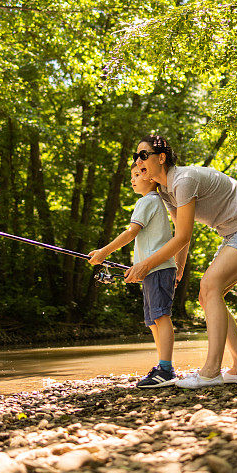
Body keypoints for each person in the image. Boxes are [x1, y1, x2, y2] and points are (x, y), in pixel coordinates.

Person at [124, 133, 237, 389]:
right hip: (232, 234)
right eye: (136, 156)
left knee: (210, 285)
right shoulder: (167, 191)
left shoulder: (183, 180)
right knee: (207, 296)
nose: (138, 161)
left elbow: (182, 236)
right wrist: (179, 267)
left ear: (161, 158)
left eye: (143, 155)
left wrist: (146, 265)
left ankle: (211, 371)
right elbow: (183, 235)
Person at [88, 161, 180, 388]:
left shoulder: (147, 201)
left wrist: (104, 252)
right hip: (152, 270)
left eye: (138, 174)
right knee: (152, 321)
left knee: (161, 316)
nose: (133, 179)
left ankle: (166, 369)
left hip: (158, 268)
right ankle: (162, 366)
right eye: (132, 175)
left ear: (150, 177)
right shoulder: (154, 202)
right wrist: (137, 267)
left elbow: (131, 233)